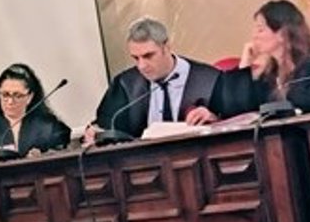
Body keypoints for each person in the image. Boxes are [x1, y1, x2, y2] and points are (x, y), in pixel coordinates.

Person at [87, 17, 223, 142]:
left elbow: (230, 121)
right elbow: (107, 125)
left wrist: (215, 120)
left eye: (148, 56)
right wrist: (96, 133)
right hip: (143, 158)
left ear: (167, 47)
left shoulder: (210, 79)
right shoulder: (125, 84)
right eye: (136, 58)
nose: (142, 66)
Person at [218, 0, 310, 115]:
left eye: (260, 30)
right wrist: (245, 65)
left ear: (282, 34)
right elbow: (237, 108)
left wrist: (284, 88)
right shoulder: (268, 76)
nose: (254, 36)